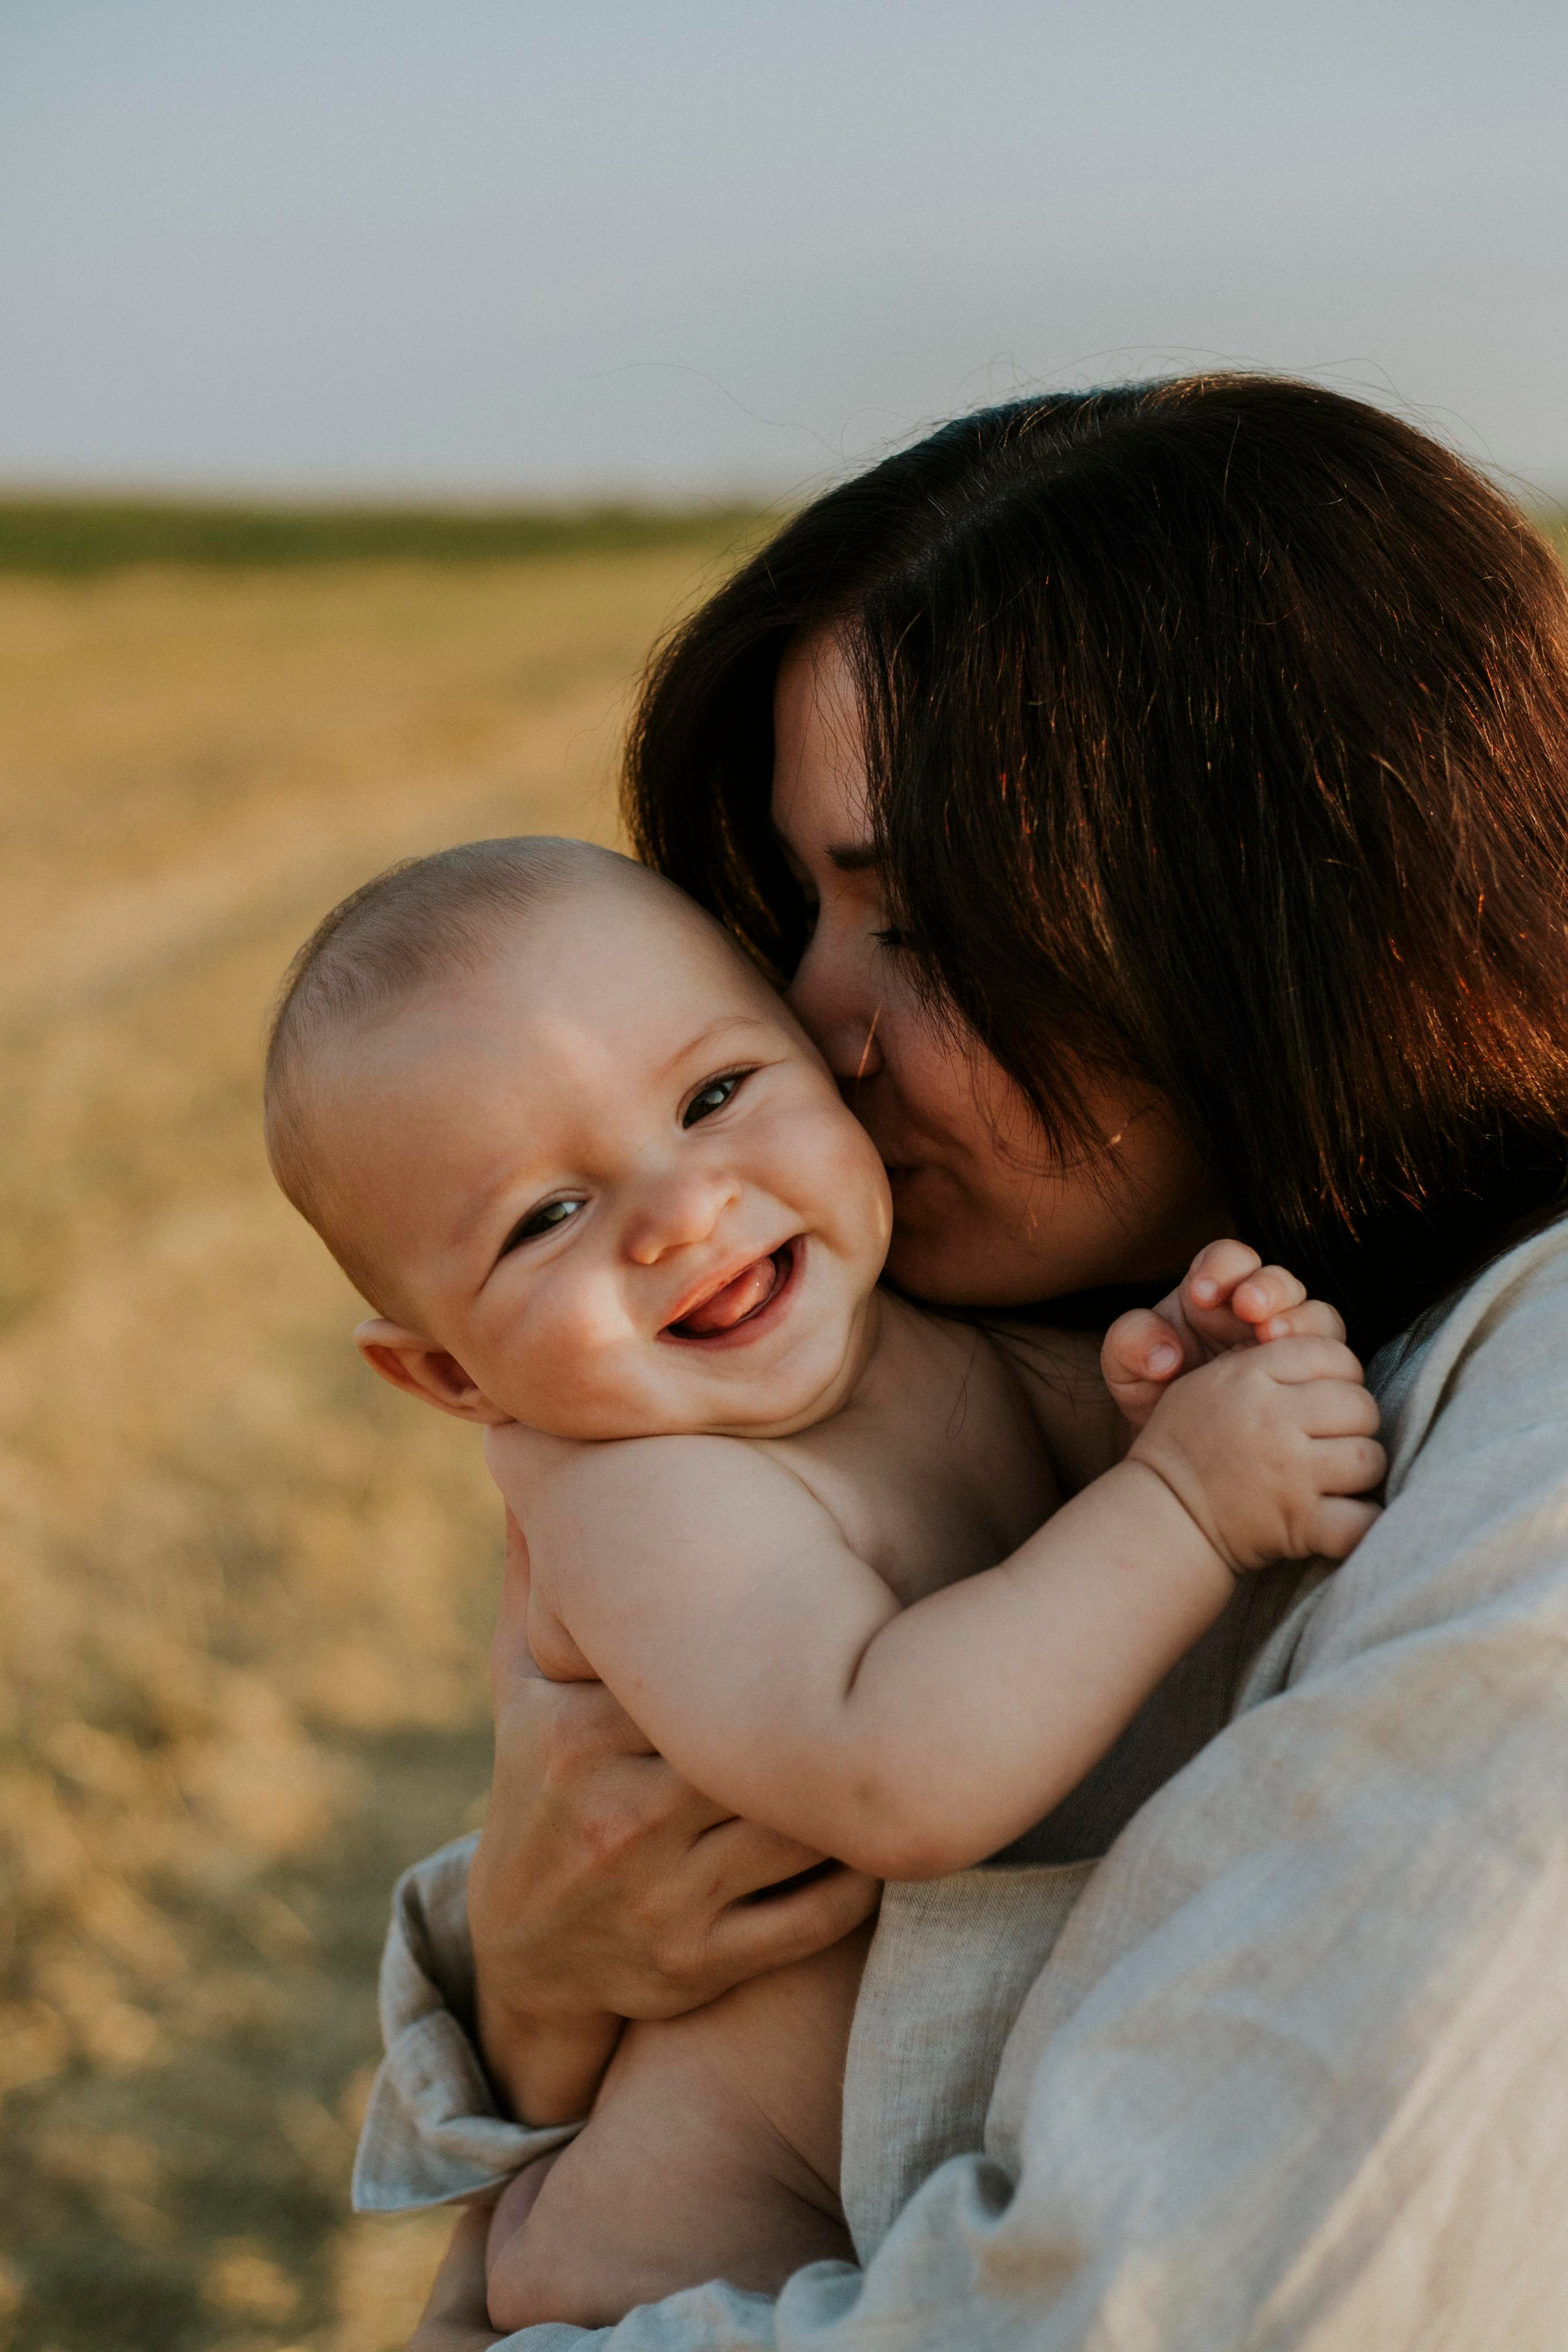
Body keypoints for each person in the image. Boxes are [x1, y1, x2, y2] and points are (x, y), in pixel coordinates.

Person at [364, 375, 1568, 2348]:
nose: (811, 1031)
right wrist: (522, 1970)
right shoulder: (1009, 1358)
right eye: (803, 905)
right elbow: (662, 1860)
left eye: (919, 922)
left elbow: (1190, 2303)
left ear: (1285, 919)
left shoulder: (1538, 1427)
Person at [264, 834, 1381, 2327]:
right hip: (705, 2244)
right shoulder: (637, 1493)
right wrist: (1181, 1499)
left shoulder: (897, 1326)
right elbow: (890, 1767)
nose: (677, 1212)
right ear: (449, 1376)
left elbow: (1049, 1529)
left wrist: (1165, 1384)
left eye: (714, 1096)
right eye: (544, 1217)